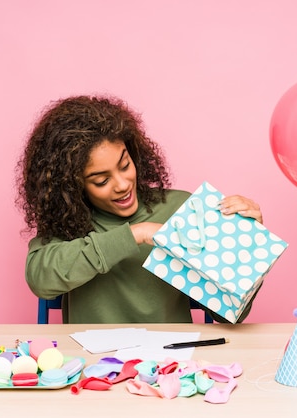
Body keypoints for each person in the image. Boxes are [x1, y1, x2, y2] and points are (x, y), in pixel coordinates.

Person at [16, 95, 264, 324]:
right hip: (95, 366)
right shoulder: (69, 223)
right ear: (72, 186)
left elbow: (229, 313)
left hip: (170, 364)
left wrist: (249, 246)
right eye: (101, 181)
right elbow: (41, 279)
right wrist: (136, 234)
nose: (122, 185)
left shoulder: (181, 209)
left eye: (125, 165)